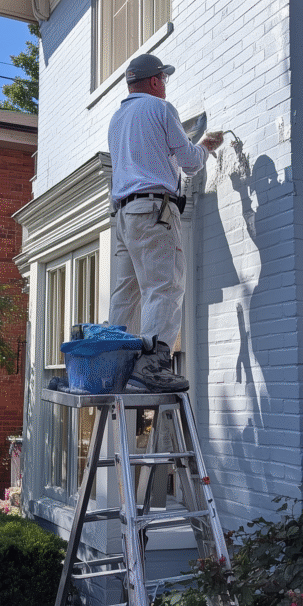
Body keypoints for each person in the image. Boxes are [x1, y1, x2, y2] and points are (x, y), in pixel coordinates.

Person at [107, 53, 223, 392]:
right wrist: (205, 146)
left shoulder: (117, 119)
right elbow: (189, 163)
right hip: (154, 210)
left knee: (126, 293)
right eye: (164, 79)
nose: (166, 86)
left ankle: (113, 362)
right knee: (165, 286)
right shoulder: (161, 109)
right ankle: (152, 367)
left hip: (124, 216)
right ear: (155, 80)